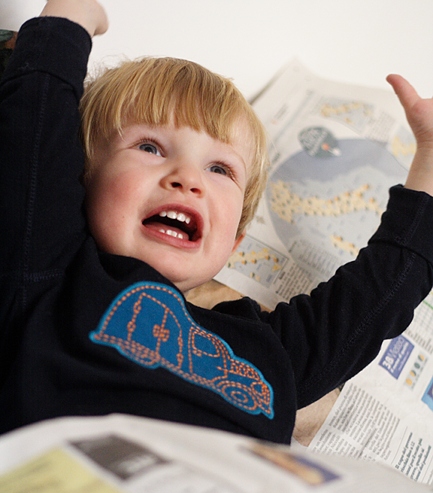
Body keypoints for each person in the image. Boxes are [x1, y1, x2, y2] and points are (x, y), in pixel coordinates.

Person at [1, 0, 433, 444]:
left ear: (235, 241)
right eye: (149, 147)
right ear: (78, 183)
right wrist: (70, 19)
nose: (188, 179)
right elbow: (34, 139)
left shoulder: (264, 349)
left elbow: (375, 300)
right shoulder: (48, 271)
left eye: (220, 169)